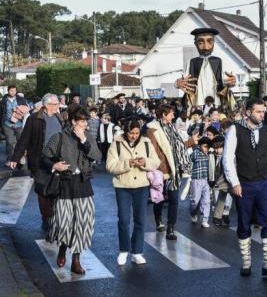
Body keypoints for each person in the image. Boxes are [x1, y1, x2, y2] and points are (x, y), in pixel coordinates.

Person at [222, 98, 267, 277]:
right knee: (244, 223)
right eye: (258, 112)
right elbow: (227, 158)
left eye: (263, 112)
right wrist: (234, 182)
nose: (262, 115)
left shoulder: (266, 130)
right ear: (248, 112)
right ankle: (246, 263)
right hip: (244, 183)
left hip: (264, 182)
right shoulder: (235, 129)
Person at [42, 107, 101, 275]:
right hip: (65, 183)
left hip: (83, 184)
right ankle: (62, 247)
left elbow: (97, 157)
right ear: (73, 122)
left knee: (82, 223)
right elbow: (44, 156)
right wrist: (54, 165)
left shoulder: (87, 137)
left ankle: (76, 259)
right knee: (63, 222)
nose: (85, 124)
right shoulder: (59, 137)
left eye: (86, 121)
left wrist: (84, 140)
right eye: (81, 121)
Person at [106, 118, 160, 266]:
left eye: (136, 133)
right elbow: (110, 166)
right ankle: (124, 250)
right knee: (123, 220)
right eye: (131, 133)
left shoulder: (146, 142)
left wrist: (145, 163)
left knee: (140, 220)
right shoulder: (116, 143)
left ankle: (137, 252)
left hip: (141, 186)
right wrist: (128, 163)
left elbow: (156, 162)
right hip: (122, 186)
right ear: (126, 131)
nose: (134, 136)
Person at [9, 93, 62, 229]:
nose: (58, 106)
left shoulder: (59, 117)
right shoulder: (34, 119)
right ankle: (46, 217)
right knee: (42, 190)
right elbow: (24, 139)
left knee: (56, 189)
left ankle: (54, 215)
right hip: (38, 160)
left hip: (56, 160)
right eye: (55, 104)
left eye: (57, 104)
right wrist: (15, 158)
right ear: (46, 105)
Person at [147, 104, 195, 241]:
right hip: (161, 171)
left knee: (174, 200)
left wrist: (191, 142)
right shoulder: (152, 129)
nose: (173, 116)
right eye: (171, 114)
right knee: (159, 199)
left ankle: (171, 227)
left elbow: (177, 146)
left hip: (174, 170)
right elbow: (152, 152)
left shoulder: (171, 127)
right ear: (163, 115)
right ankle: (158, 221)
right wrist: (160, 170)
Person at [174, 27, 237, 113]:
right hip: (196, 107)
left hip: (217, 106)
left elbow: (226, 82)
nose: (206, 47)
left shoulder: (219, 61)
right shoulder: (192, 62)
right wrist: (177, 83)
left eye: (209, 42)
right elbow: (184, 81)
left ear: (213, 43)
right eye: (201, 42)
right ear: (195, 43)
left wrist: (232, 82)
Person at [1, 85, 28, 166]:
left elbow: (26, 108)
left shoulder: (20, 99)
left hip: (19, 124)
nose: (13, 92)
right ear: (8, 91)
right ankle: (10, 159)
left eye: (14, 90)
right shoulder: (3, 101)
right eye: (11, 90)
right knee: (10, 142)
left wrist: (19, 110)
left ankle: (21, 157)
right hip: (7, 124)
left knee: (21, 141)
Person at [189, 137, 213, 228]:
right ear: (200, 145)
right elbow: (188, 161)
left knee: (206, 201)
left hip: (207, 180)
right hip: (196, 179)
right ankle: (193, 213)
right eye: (204, 146)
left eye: (207, 146)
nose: (206, 148)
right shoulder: (196, 153)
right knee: (195, 200)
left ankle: (204, 219)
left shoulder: (210, 154)